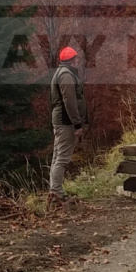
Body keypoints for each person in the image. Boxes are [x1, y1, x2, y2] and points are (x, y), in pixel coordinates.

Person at [48, 46, 87, 204]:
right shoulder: (66, 75)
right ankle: (56, 193)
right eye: (76, 59)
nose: (77, 61)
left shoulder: (63, 73)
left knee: (57, 157)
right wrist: (77, 124)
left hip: (62, 121)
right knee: (62, 159)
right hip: (66, 122)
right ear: (72, 60)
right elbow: (69, 101)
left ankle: (54, 191)